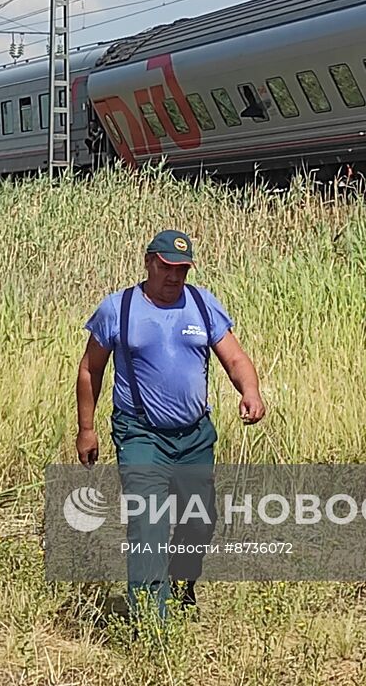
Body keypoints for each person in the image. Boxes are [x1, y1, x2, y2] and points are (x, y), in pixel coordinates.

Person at [76, 229, 266, 620]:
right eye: (166, 267)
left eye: (182, 269)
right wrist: (87, 428)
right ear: (149, 262)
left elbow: (235, 359)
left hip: (195, 436)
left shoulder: (201, 304)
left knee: (199, 521)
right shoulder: (119, 309)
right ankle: (151, 622)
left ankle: (181, 586)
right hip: (141, 434)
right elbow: (89, 369)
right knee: (148, 525)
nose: (174, 277)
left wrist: (250, 391)